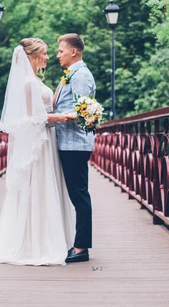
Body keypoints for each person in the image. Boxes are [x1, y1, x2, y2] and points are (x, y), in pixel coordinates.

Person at [0, 38, 76, 266]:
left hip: (47, 140)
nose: (47, 57)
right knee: (37, 187)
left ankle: (47, 238)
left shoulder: (33, 80)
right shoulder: (27, 83)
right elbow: (29, 118)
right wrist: (57, 117)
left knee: (45, 186)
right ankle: (34, 242)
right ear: (32, 57)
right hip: (39, 143)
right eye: (43, 54)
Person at [53, 33, 96, 263]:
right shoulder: (72, 74)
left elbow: (83, 112)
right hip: (68, 143)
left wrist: (52, 118)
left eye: (61, 51)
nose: (57, 55)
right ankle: (79, 244)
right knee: (77, 193)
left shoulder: (80, 75)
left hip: (75, 144)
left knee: (79, 194)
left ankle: (81, 247)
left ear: (73, 52)